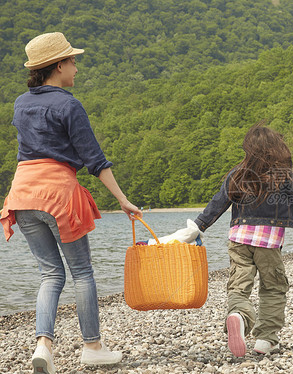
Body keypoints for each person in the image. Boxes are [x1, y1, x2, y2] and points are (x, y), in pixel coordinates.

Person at [0, 32, 142, 373]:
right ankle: (92, 346)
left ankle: (43, 346)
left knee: (50, 274)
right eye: (73, 61)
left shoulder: (21, 102)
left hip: (22, 193)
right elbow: (95, 160)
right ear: (58, 65)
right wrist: (123, 200)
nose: (76, 67)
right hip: (58, 194)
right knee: (82, 272)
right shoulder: (69, 105)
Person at [194, 122, 293, 357]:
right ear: (278, 148)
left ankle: (238, 315)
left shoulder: (237, 173)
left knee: (239, 285)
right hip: (268, 242)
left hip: (239, 239)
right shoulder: (284, 175)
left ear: (248, 148)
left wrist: (198, 227)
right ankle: (265, 340)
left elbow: (217, 203)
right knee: (273, 288)